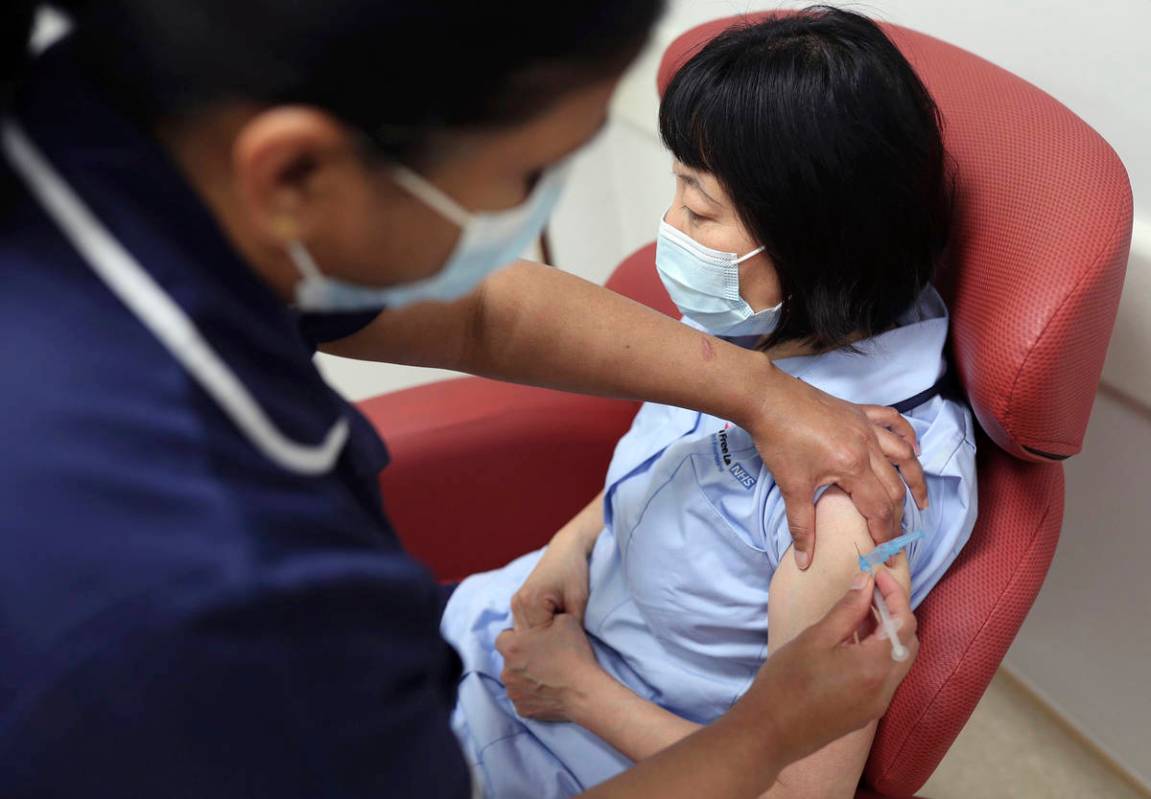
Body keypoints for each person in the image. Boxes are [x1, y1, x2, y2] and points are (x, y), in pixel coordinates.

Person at [0, 2, 920, 797]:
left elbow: (482, 314)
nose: (664, 229)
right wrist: (761, 732)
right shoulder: (223, 594)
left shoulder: (118, 136)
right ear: (295, 175)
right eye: (526, 174)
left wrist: (754, 391)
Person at [442, 9, 977, 798]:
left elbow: (797, 790)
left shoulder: (851, 505)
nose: (669, 230)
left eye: (697, 211)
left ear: (812, 243)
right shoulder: (762, 330)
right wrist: (570, 542)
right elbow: (672, 457)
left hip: (590, 754)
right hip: (504, 638)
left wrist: (579, 692)